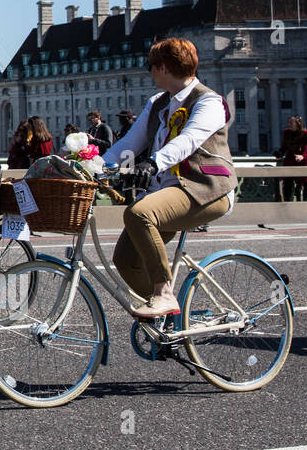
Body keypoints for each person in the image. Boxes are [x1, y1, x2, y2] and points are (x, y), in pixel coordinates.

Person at [100, 38, 238, 319]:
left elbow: (188, 140)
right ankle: (171, 317)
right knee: (126, 261)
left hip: (205, 189)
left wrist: (153, 162)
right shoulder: (157, 103)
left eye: (150, 66)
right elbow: (130, 144)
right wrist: (93, 166)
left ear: (163, 67)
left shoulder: (209, 102)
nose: (148, 72)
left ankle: (164, 294)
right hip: (167, 189)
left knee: (139, 213)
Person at [275, 116, 307, 201]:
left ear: (298, 123)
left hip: (302, 164)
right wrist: (279, 153)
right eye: (289, 122)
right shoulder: (286, 133)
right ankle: (288, 208)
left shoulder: (305, 133)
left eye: (291, 122)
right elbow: (284, 147)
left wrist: (304, 156)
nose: (289, 124)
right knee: (287, 189)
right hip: (289, 163)